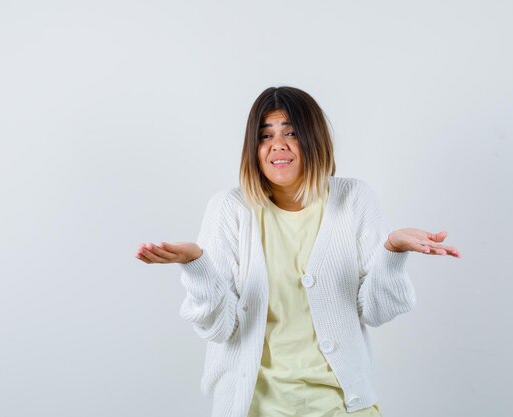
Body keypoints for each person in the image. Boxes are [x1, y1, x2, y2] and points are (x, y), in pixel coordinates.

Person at [135, 86, 461, 417]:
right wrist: (197, 265)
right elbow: (220, 328)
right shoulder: (228, 209)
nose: (278, 144)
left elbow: (376, 312)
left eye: (290, 132)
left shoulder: (354, 199)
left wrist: (390, 253)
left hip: (342, 406)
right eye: (265, 135)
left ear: (313, 138)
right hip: (253, 407)